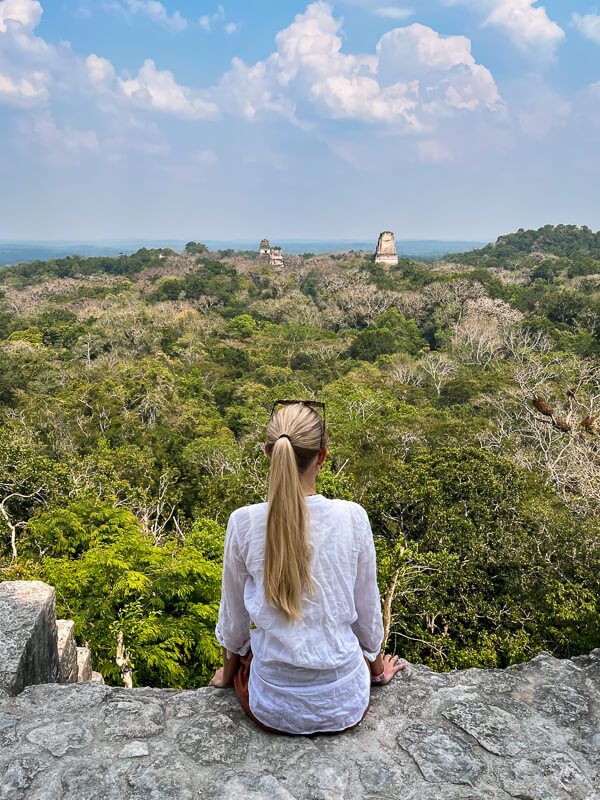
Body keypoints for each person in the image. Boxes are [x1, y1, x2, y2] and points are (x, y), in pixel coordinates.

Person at [209, 400, 404, 735]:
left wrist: (228, 675)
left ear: (269, 452)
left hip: (272, 705)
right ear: (323, 457)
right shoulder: (352, 517)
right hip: (344, 700)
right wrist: (376, 669)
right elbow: (367, 612)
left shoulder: (244, 522)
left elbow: (235, 621)